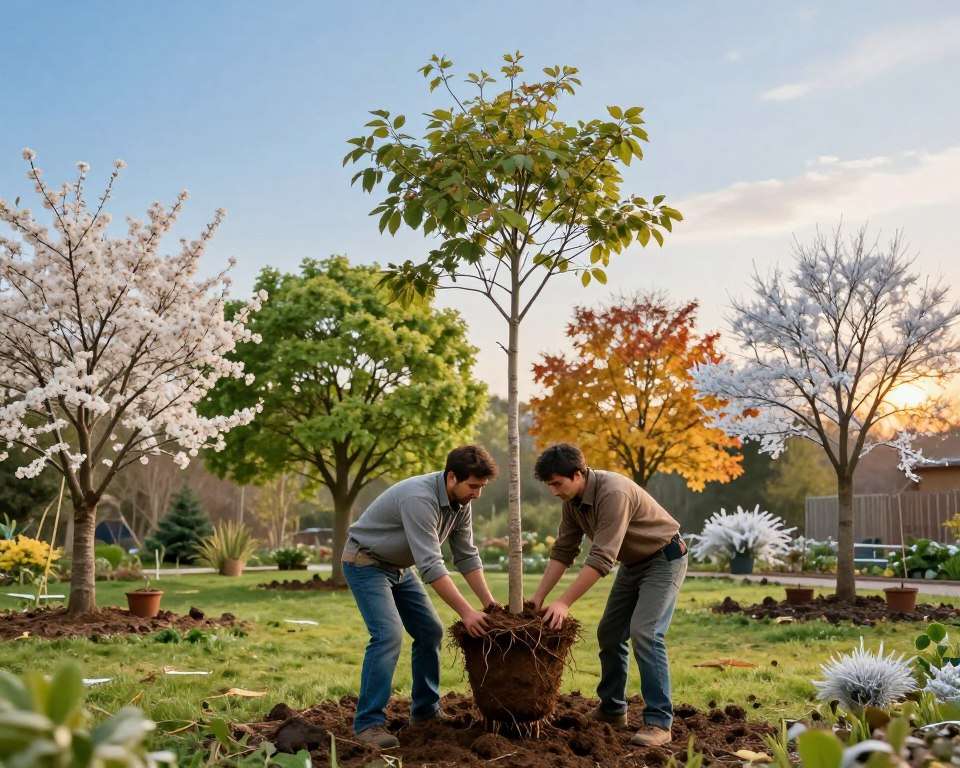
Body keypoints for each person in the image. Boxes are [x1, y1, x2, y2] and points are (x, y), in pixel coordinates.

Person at [341, 445, 499, 749]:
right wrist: (467, 612)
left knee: (430, 631)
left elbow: (465, 555)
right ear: (452, 477)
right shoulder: (420, 498)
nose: (477, 494)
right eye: (474, 486)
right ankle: (368, 724)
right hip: (365, 562)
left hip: (399, 567)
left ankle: (425, 712)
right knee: (387, 636)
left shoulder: (461, 502)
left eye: (482, 487)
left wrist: (489, 604)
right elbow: (431, 565)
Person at [530, 443, 687, 747]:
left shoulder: (613, 492)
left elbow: (602, 558)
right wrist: (539, 597)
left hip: (663, 558)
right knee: (611, 633)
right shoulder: (573, 501)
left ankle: (658, 722)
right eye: (549, 484)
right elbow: (564, 550)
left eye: (557, 483)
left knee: (646, 632)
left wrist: (563, 602)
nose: (553, 491)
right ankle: (613, 709)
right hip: (633, 563)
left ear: (578, 474)